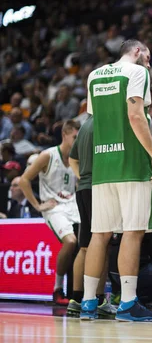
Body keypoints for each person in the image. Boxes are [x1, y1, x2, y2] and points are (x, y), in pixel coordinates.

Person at [80, 39, 152, 322]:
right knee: (133, 231)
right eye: (148, 56)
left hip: (103, 167)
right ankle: (128, 303)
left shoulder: (94, 75)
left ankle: (88, 303)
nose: (150, 63)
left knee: (99, 234)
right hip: (130, 164)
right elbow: (134, 114)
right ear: (137, 51)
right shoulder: (137, 72)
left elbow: (94, 120)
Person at [19, 120, 81, 306]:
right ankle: (57, 289)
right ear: (65, 134)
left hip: (73, 205)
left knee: (90, 243)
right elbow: (24, 180)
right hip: (54, 207)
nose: (77, 141)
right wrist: (38, 205)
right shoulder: (47, 155)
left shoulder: (76, 159)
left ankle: (81, 293)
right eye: (75, 137)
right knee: (71, 242)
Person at [67, 116, 116, 316]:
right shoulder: (107, 122)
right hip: (99, 187)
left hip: (83, 187)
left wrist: (83, 177)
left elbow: (72, 159)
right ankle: (98, 298)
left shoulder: (86, 125)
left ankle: (77, 298)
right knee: (102, 241)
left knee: (85, 245)